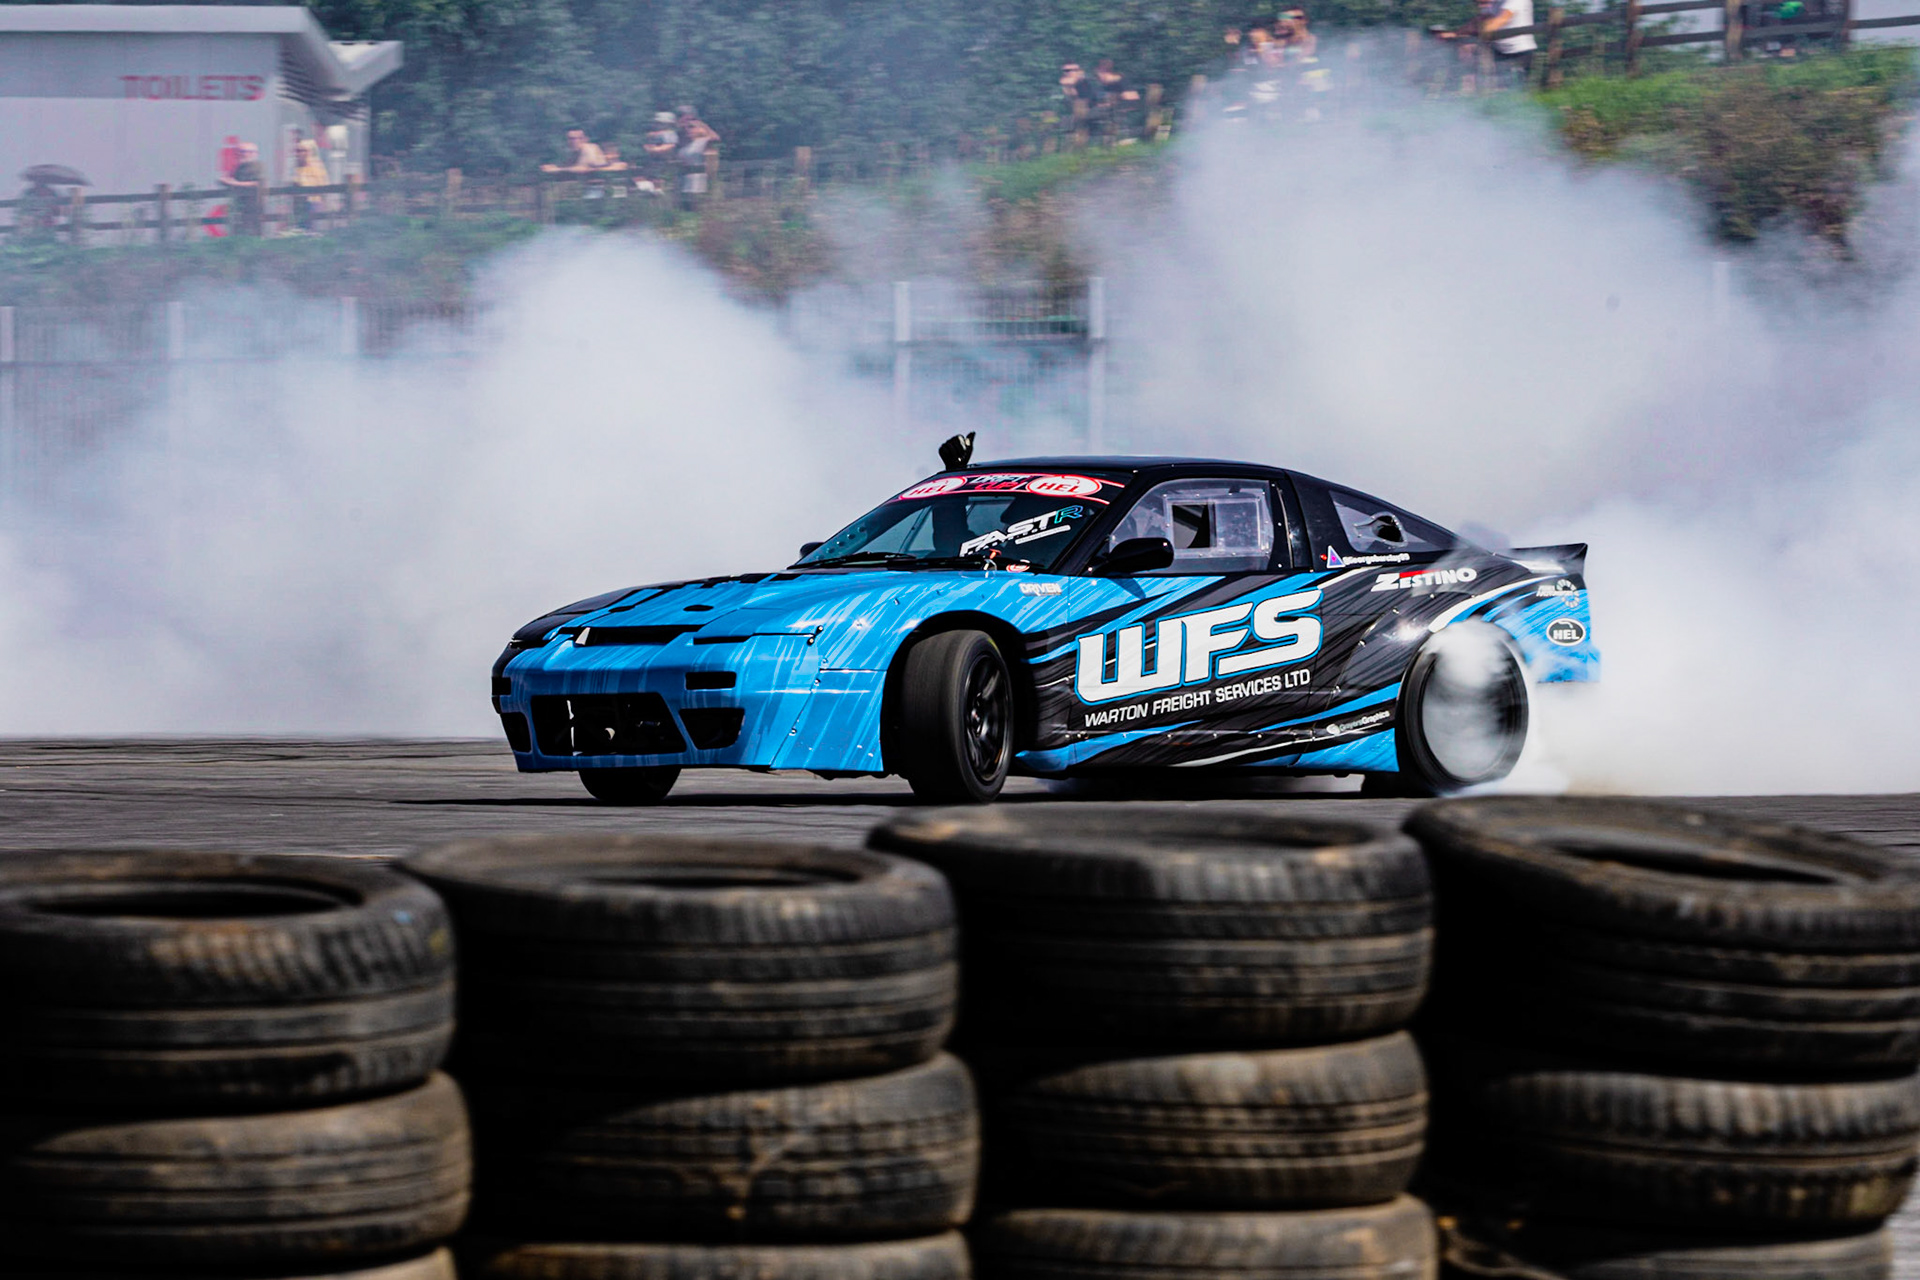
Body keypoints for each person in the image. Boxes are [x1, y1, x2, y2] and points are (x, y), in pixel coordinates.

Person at [1443, 0, 1537, 82]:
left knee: (1518, 86)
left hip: (1520, 52)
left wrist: (1484, 31)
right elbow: (1479, 20)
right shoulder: (1497, 2)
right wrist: (1456, 34)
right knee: (1502, 86)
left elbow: (1502, 19)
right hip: (1501, 51)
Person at [674, 107, 719, 204]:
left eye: (691, 127)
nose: (688, 130)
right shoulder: (680, 144)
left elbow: (715, 138)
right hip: (683, 179)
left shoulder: (701, 142)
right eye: (685, 127)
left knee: (697, 204)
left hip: (698, 180)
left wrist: (701, 124)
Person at [220, 141, 264, 235]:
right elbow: (233, 180)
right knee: (239, 231)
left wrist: (235, 183)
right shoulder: (239, 167)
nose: (241, 154)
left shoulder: (258, 166)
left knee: (253, 232)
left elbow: (257, 184)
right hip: (240, 206)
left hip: (253, 206)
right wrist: (225, 181)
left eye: (244, 152)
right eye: (239, 152)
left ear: (253, 153)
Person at [639, 111, 678, 194]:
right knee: (651, 173)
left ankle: (659, 189)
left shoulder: (669, 134)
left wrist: (656, 149)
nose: (657, 125)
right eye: (657, 123)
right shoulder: (655, 134)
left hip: (663, 159)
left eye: (661, 123)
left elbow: (670, 145)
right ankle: (652, 189)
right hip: (653, 159)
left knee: (660, 174)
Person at [542, 128, 611, 173]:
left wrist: (558, 170)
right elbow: (569, 165)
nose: (572, 142)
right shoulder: (575, 152)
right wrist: (554, 167)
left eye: (574, 138)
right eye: (569, 139)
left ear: (584, 139)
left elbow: (582, 168)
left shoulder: (589, 149)